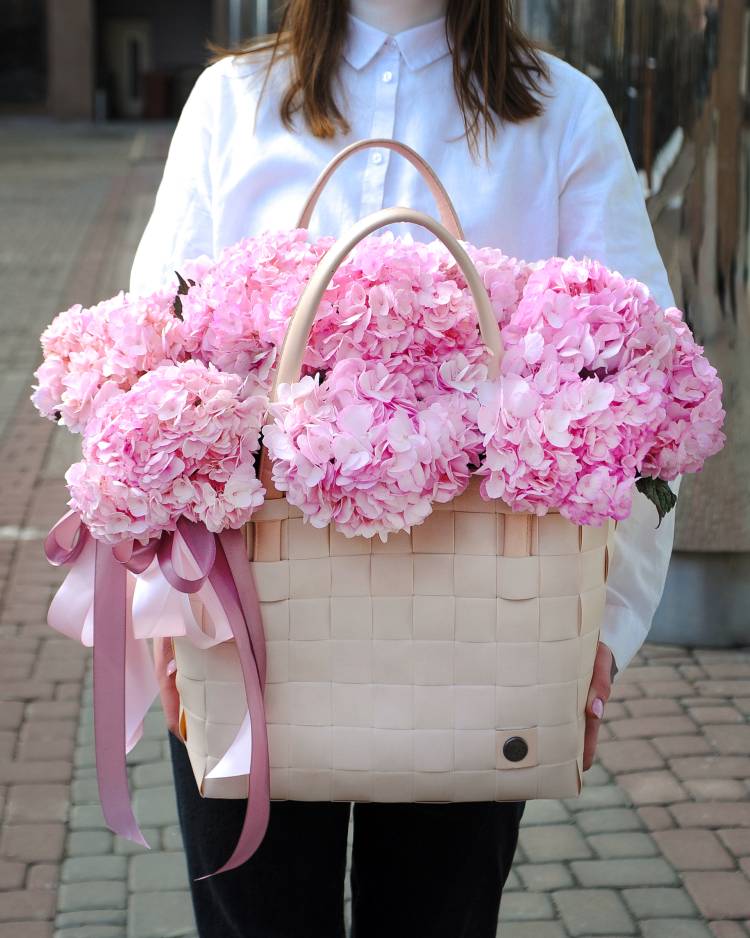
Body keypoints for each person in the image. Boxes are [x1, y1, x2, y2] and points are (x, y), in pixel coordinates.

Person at [129, 1, 682, 935]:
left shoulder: (561, 112)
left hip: (481, 643)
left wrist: (602, 630)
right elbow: (153, 365)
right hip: (247, 634)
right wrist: (162, 605)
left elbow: (643, 390)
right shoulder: (232, 101)